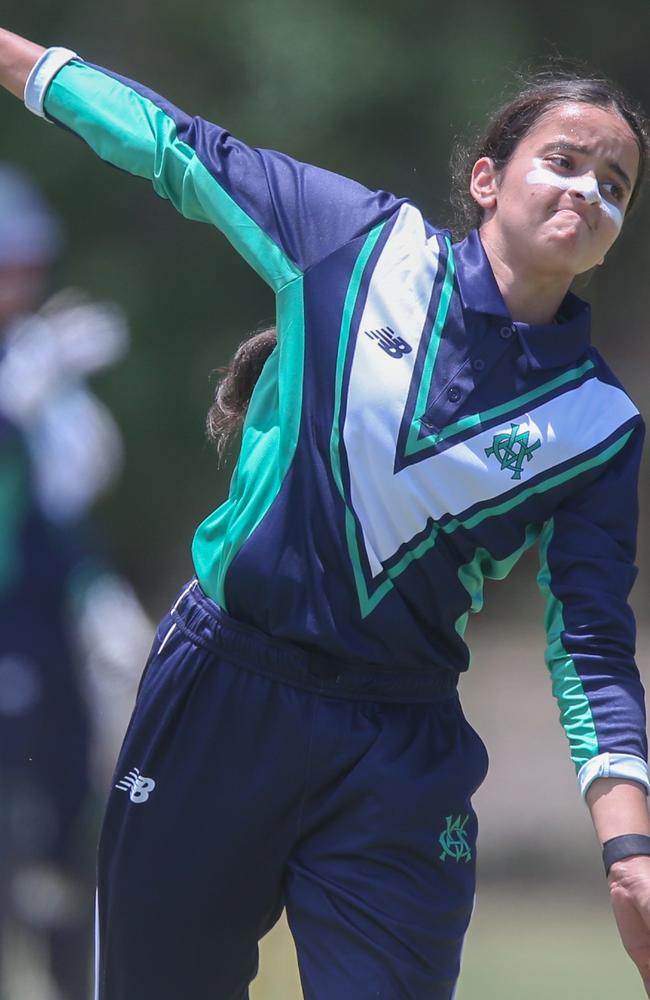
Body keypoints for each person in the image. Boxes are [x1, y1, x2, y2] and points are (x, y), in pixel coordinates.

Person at [0, 27, 649, 1000]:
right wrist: (17, 59)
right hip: (221, 692)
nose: (586, 191)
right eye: (563, 160)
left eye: (614, 183)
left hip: (396, 751)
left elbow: (590, 643)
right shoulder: (358, 243)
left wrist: (627, 848)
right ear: (485, 178)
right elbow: (174, 144)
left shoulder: (596, 423)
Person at [0, 162, 153, 999]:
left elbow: (78, 487)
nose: (23, 284)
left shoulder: (33, 360)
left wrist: (97, 593)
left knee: (64, 830)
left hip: (41, 628)